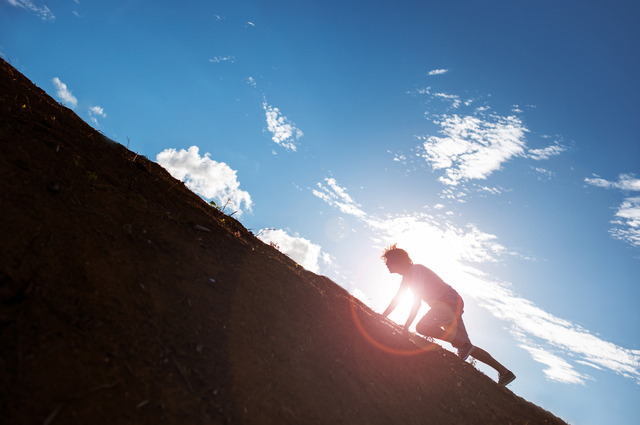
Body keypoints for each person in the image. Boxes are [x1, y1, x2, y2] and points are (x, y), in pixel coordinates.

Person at [380, 244, 516, 387]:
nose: (387, 264)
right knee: (467, 346)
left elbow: (417, 302)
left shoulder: (415, 270)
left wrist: (406, 326)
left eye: (389, 261)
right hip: (449, 305)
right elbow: (397, 299)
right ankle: (506, 373)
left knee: (422, 327)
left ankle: (462, 345)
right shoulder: (407, 278)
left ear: (398, 260)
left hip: (448, 303)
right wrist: (383, 316)